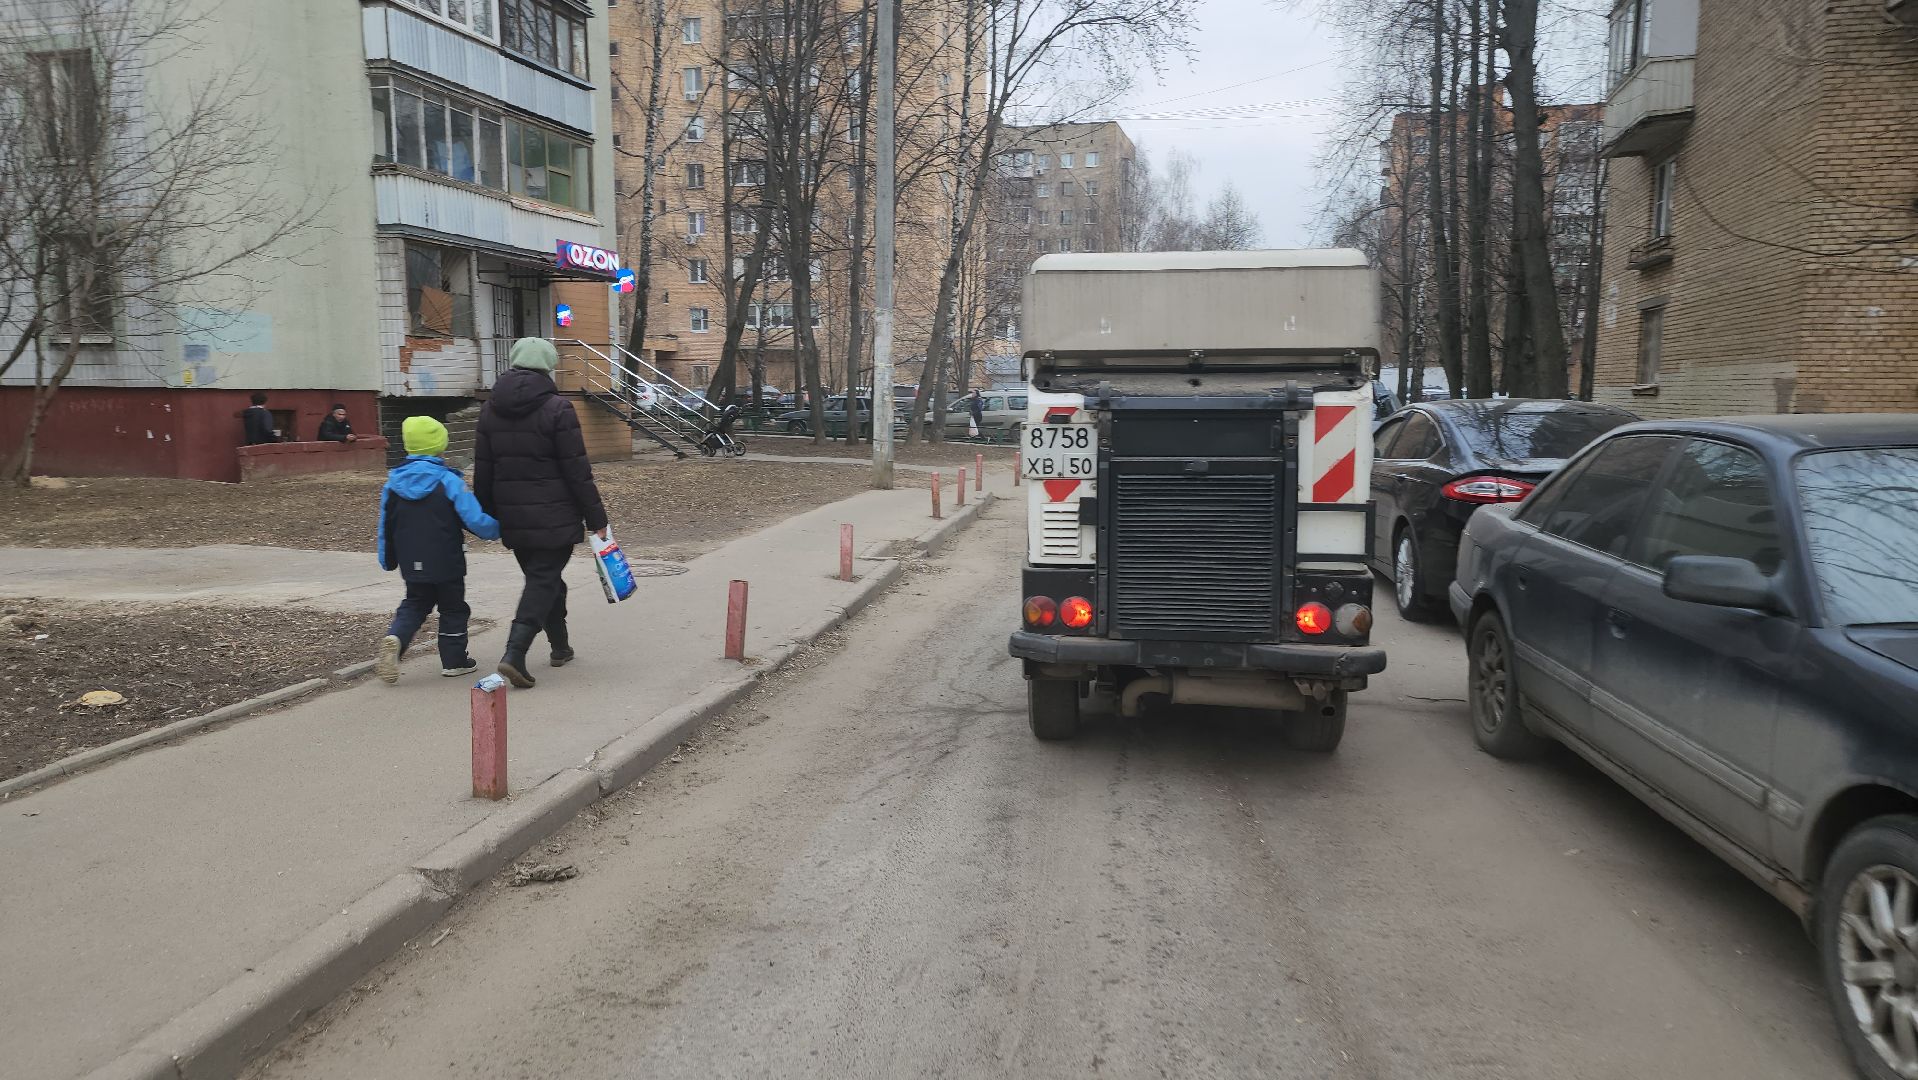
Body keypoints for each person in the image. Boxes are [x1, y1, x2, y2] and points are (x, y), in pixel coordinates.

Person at [475, 337, 609, 689]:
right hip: (555, 515)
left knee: (544, 579)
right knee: (543, 580)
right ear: (549, 366)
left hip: (514, 517)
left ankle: (560, 647)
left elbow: (483, 468)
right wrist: (597, 518)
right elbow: (577, 470)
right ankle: (514, 654)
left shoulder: (490, 409)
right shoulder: (558, 408)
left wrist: (489, 514)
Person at [373, 416, 500, 683]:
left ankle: (396, 637)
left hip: (411, 560)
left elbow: (385, 524)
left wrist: (387, 558)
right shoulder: (448, 480)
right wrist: (497, 529)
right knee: (453, 608)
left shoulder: (392, 484)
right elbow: (473, 518)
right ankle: (454, 661)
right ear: (440, 446)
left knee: (415, 603)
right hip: (447, 559)